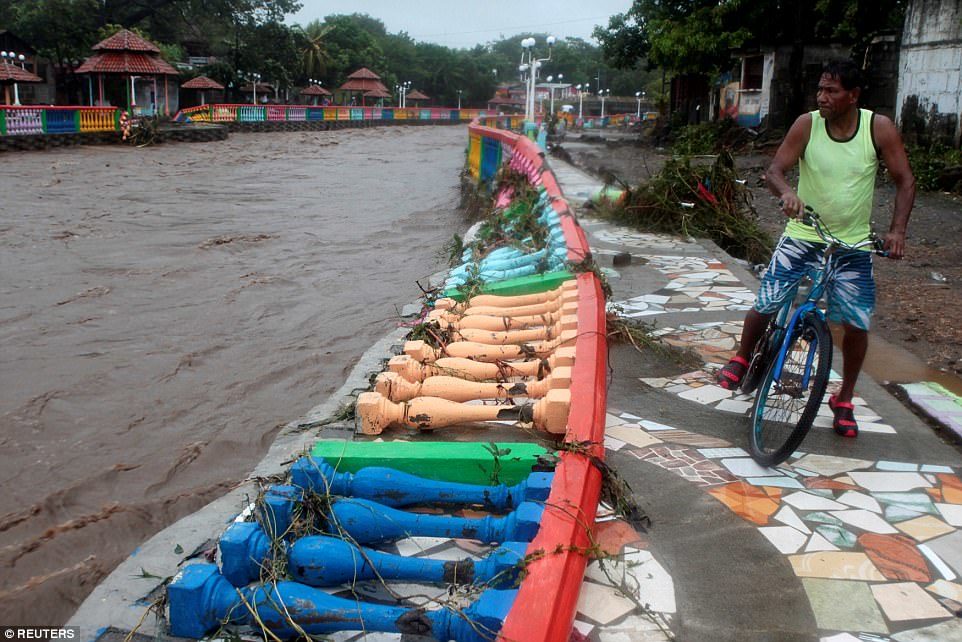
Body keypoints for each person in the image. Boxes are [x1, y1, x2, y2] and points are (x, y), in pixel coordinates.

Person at [716, 59, 916, 438]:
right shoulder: (807, 124)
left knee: (856, 324)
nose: (822, 97)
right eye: (820, 89)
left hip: (852, 244)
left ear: (854, 96)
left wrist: (897, 231)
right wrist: (788, 193)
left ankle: (845, 397)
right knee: (768, 300)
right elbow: (774, 170)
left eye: (832, 91)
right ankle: (743, 357)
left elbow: (905, 180)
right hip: (804, 234)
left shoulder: (878, 128)